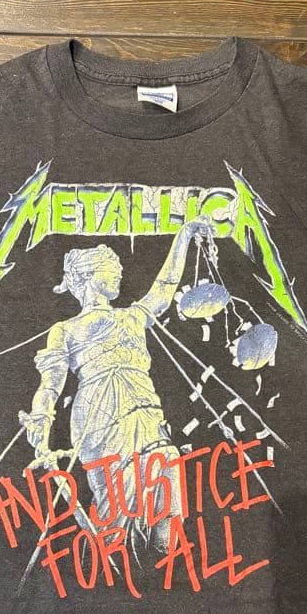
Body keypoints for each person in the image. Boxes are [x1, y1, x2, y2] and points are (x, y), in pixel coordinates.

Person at [21, 218, 214, 554]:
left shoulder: (132, 316)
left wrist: (184, 235)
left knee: (167, 463)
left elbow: (165, 286)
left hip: (143, 407)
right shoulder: (65, 329)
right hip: (98, 416)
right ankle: (108, 562)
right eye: (111, 269)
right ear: (89, 276)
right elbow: (50, 384)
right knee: (114, 503)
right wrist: (41, 419)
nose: (119, 274)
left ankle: (168, 558)